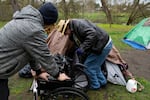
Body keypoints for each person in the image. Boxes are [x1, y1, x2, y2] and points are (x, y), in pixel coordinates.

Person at [0, 3, 70, 100]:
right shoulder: (34, 29)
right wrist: (58, 75)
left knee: (4, 93)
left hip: (2, 70)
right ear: (48, 21)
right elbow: (44, 55)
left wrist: (37, 71)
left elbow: (31, 52)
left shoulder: (26, 21)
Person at [59, 19, 113, 90]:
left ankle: (95, 86)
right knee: (95, 66)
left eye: (65, 32)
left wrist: (82, 48)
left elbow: (92, 34)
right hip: (102, 43)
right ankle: (102, 82)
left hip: (103, 45)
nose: (66, 34)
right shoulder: (74, 27)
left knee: (88, 67)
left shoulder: (78, 25)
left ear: (67, 27)